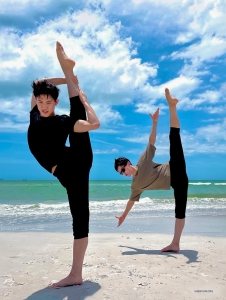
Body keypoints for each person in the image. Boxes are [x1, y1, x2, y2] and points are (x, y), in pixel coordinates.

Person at [27, 41, 100, 287]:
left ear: (55, 103)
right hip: (67, 167)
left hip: (75, 167)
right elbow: (39, 85)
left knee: (80, 219)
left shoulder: (62, 121)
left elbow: (92, 125)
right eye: (41, 101)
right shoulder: (35, 115)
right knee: (80, 217)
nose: (44, 105)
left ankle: (75, 274)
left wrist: (84, 100)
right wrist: (65, 76)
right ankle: (68, 69)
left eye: (49, 102)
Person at [115, 88, 188, 252]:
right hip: (179, 182)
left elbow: (151, 142)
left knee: (174, 137)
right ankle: (175, 244)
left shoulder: (143, 161)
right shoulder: (135, 186)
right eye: (121, 173)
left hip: (175, 167)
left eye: (122, 170)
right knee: (180, 211)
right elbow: (131, 201)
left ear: (127, 163)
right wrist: (123, 215)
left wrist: (154, 123)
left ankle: (172, 105)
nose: (123, 174)